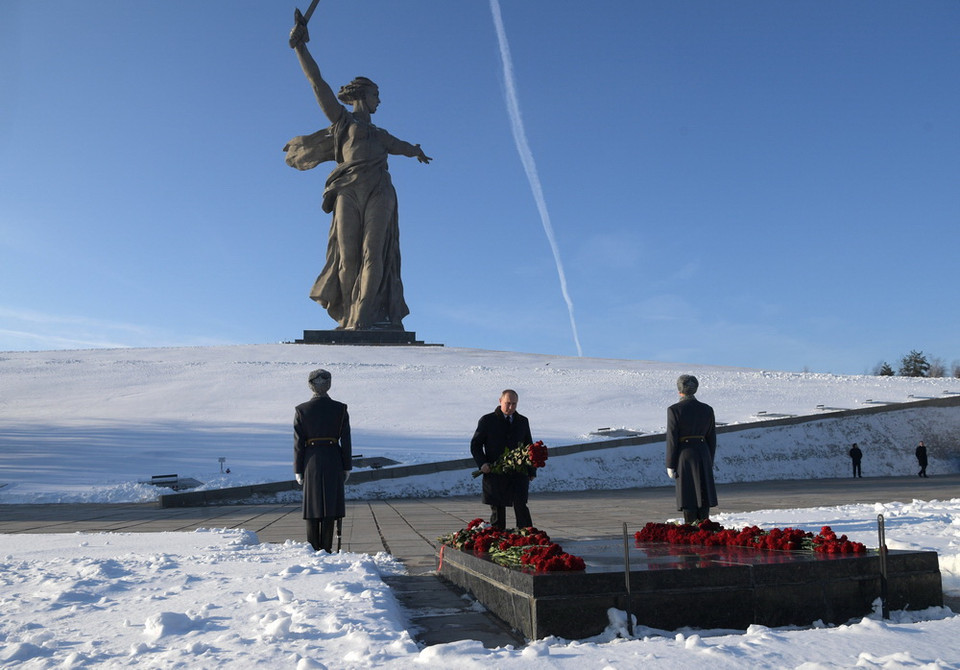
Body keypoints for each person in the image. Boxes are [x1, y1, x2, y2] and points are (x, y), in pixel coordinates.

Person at [286, 14, 431, 331]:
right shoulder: (343, 122)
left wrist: (417, 151)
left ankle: (364, 318)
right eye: (376, 94)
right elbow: (317, 83)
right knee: (348, 257)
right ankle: (349, 314)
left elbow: (402, 146)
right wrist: (301, 48)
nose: (380, 100)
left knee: (373, 254)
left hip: (379, 191)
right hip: (348, 191)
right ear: (363, 95)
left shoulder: (381, 135)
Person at [294, 369, 352, 552]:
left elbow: (298, 443)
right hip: (333, 459)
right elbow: (346, 440)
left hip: (311, 461)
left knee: (312, 507)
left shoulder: (302, 410)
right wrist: (346, 466)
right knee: (330, 507)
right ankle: (326, 549)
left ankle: (313, 549)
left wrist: (298, 469)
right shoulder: (340, 409)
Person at [470, 389, 536, 530]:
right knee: (498, 507)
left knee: (520, 504)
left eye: (514, 404)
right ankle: (498, 537)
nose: (511, 407)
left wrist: (531, 470)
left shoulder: (523, 421)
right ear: (500, 401)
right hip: (495, 471)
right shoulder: (487, 420)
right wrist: (482, 463)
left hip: (518, 471)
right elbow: (475, 445)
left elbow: (528, 446)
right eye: (508, 403)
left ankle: (527, 536)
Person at [665, 375, 718, 524]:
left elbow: (672, 439)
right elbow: (711, 438)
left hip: (685, 454)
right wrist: (710, 459)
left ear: (679, 390)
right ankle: (704, 526)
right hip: (703, 452)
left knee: (688, 493)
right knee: (703, 492)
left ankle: (690, 528)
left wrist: (670, 464)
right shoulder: (707, 409)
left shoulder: (674, 410)